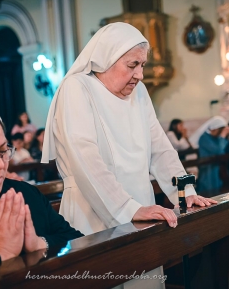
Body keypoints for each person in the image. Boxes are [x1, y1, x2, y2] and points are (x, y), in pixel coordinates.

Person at [42, 22, 216, 289]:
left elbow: (160, 147)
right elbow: (84, 157)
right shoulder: (77, 88)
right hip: (92, 210)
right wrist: (128, 209)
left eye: (143, 65)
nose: (140, 75)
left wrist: (186, 192)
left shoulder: (140, 93)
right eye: (132, 64)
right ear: (107, 57)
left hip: (141, 207)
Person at [0, 102, 83, 282]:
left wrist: (39, 244)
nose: (0, 164)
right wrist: (0, 254)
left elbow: (78, 241)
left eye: (3, 151)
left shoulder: (24, 193)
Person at [189, 116, 229, 193]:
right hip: (208, 169)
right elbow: (219, 151)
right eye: (220, 130)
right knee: (210, 191)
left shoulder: (217, 137)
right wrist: (223, 136)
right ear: (215, 128)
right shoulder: (204, 138)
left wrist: (228, 136)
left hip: (218, 168)